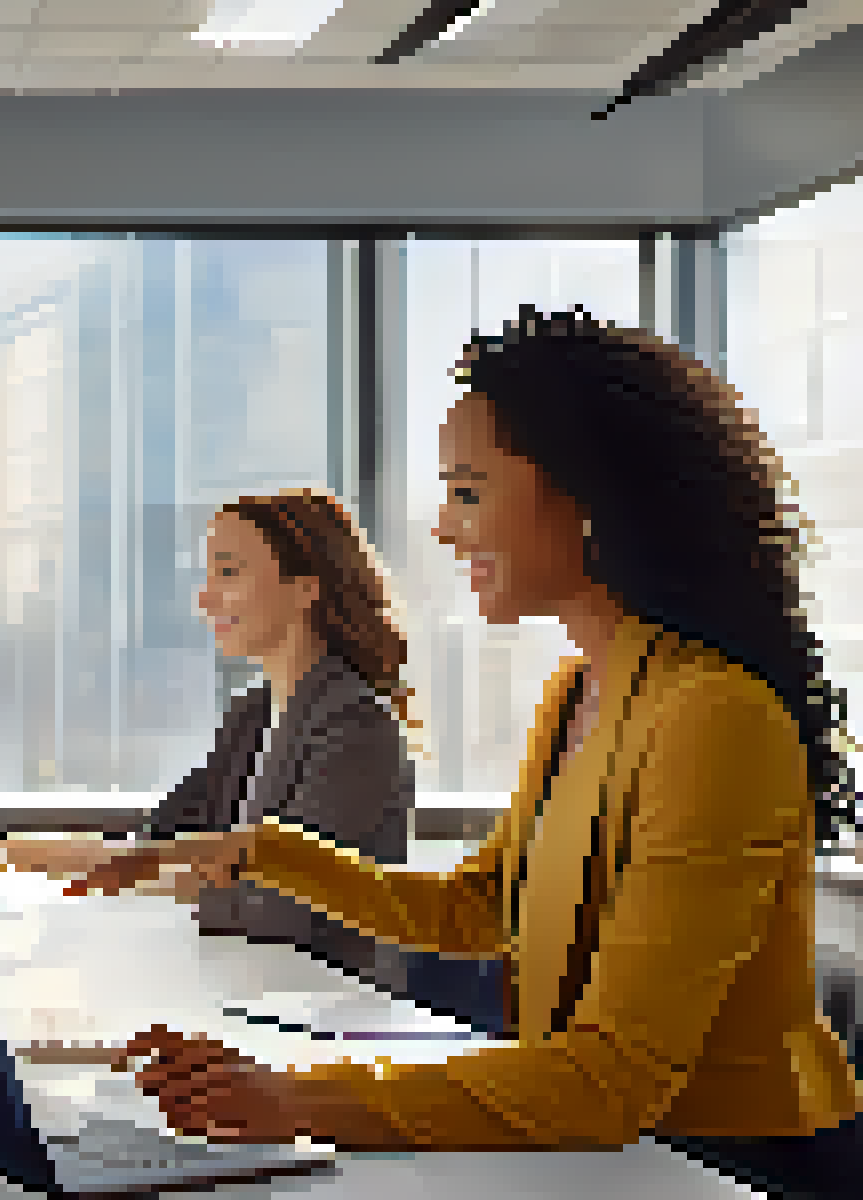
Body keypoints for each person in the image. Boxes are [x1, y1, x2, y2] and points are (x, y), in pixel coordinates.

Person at [63, 308, 863, 1188]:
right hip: (611, 1152)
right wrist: (254, 853)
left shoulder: (715, 717)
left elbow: (612, 1081)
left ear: (587, 498)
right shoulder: (578, 690)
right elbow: (487, 907)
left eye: (469, 491)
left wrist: (300, 1101)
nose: (443, 529)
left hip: (731, 1168)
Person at [0, 489, 415, 986]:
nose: (204, 597)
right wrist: (7, 855)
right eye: (206, 574)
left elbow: (287, 909)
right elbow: (160, 845)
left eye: (229, 572)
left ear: (306, 587)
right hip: (248, 986)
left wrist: (163, 876)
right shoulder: (253, 714)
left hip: (326, 1005)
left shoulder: (355, 725)